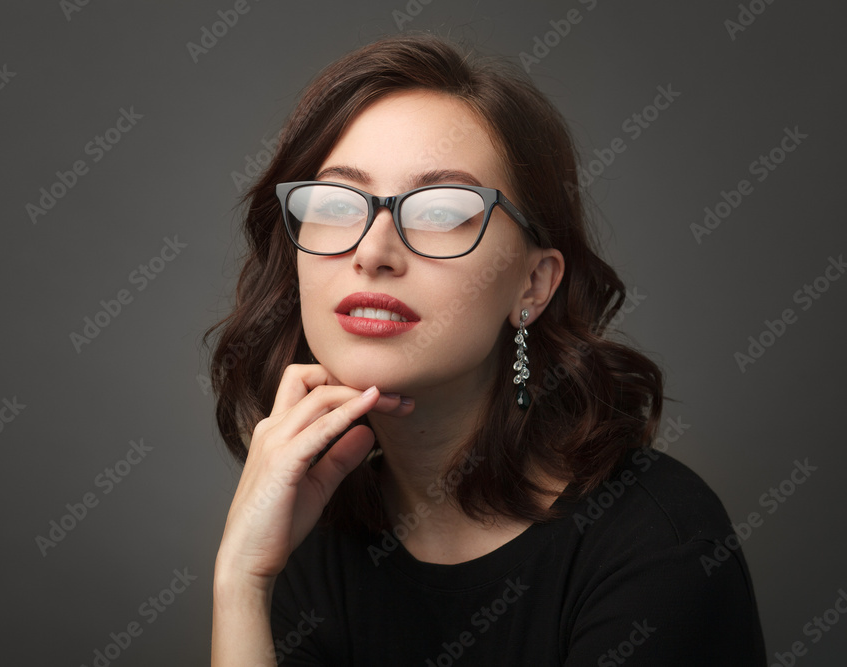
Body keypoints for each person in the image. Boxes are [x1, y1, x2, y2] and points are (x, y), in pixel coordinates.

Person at [207, 33, 765, 666]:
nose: (372, 252)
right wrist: (242, 582)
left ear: (532, 284)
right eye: (337, 203)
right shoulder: (310, 540)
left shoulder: (659, 542)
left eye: (441, 212)